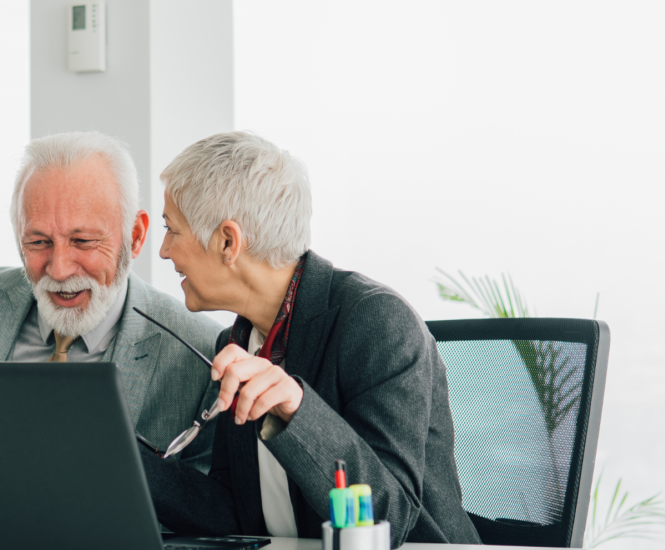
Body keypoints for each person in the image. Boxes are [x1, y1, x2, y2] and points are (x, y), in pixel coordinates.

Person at [140, 131, 482, 547]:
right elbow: (237, 510)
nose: (162, 251)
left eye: (171, 230)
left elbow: (388, 517)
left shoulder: (378, 322)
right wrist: (126, 460)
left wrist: (296, 409)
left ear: (228, 241)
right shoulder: (237, 342)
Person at [0, 131, 223, 471]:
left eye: (83, 240)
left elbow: (206, 512)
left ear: (134, 237)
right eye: (39, 242)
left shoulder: (203, 355)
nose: (59, 270)